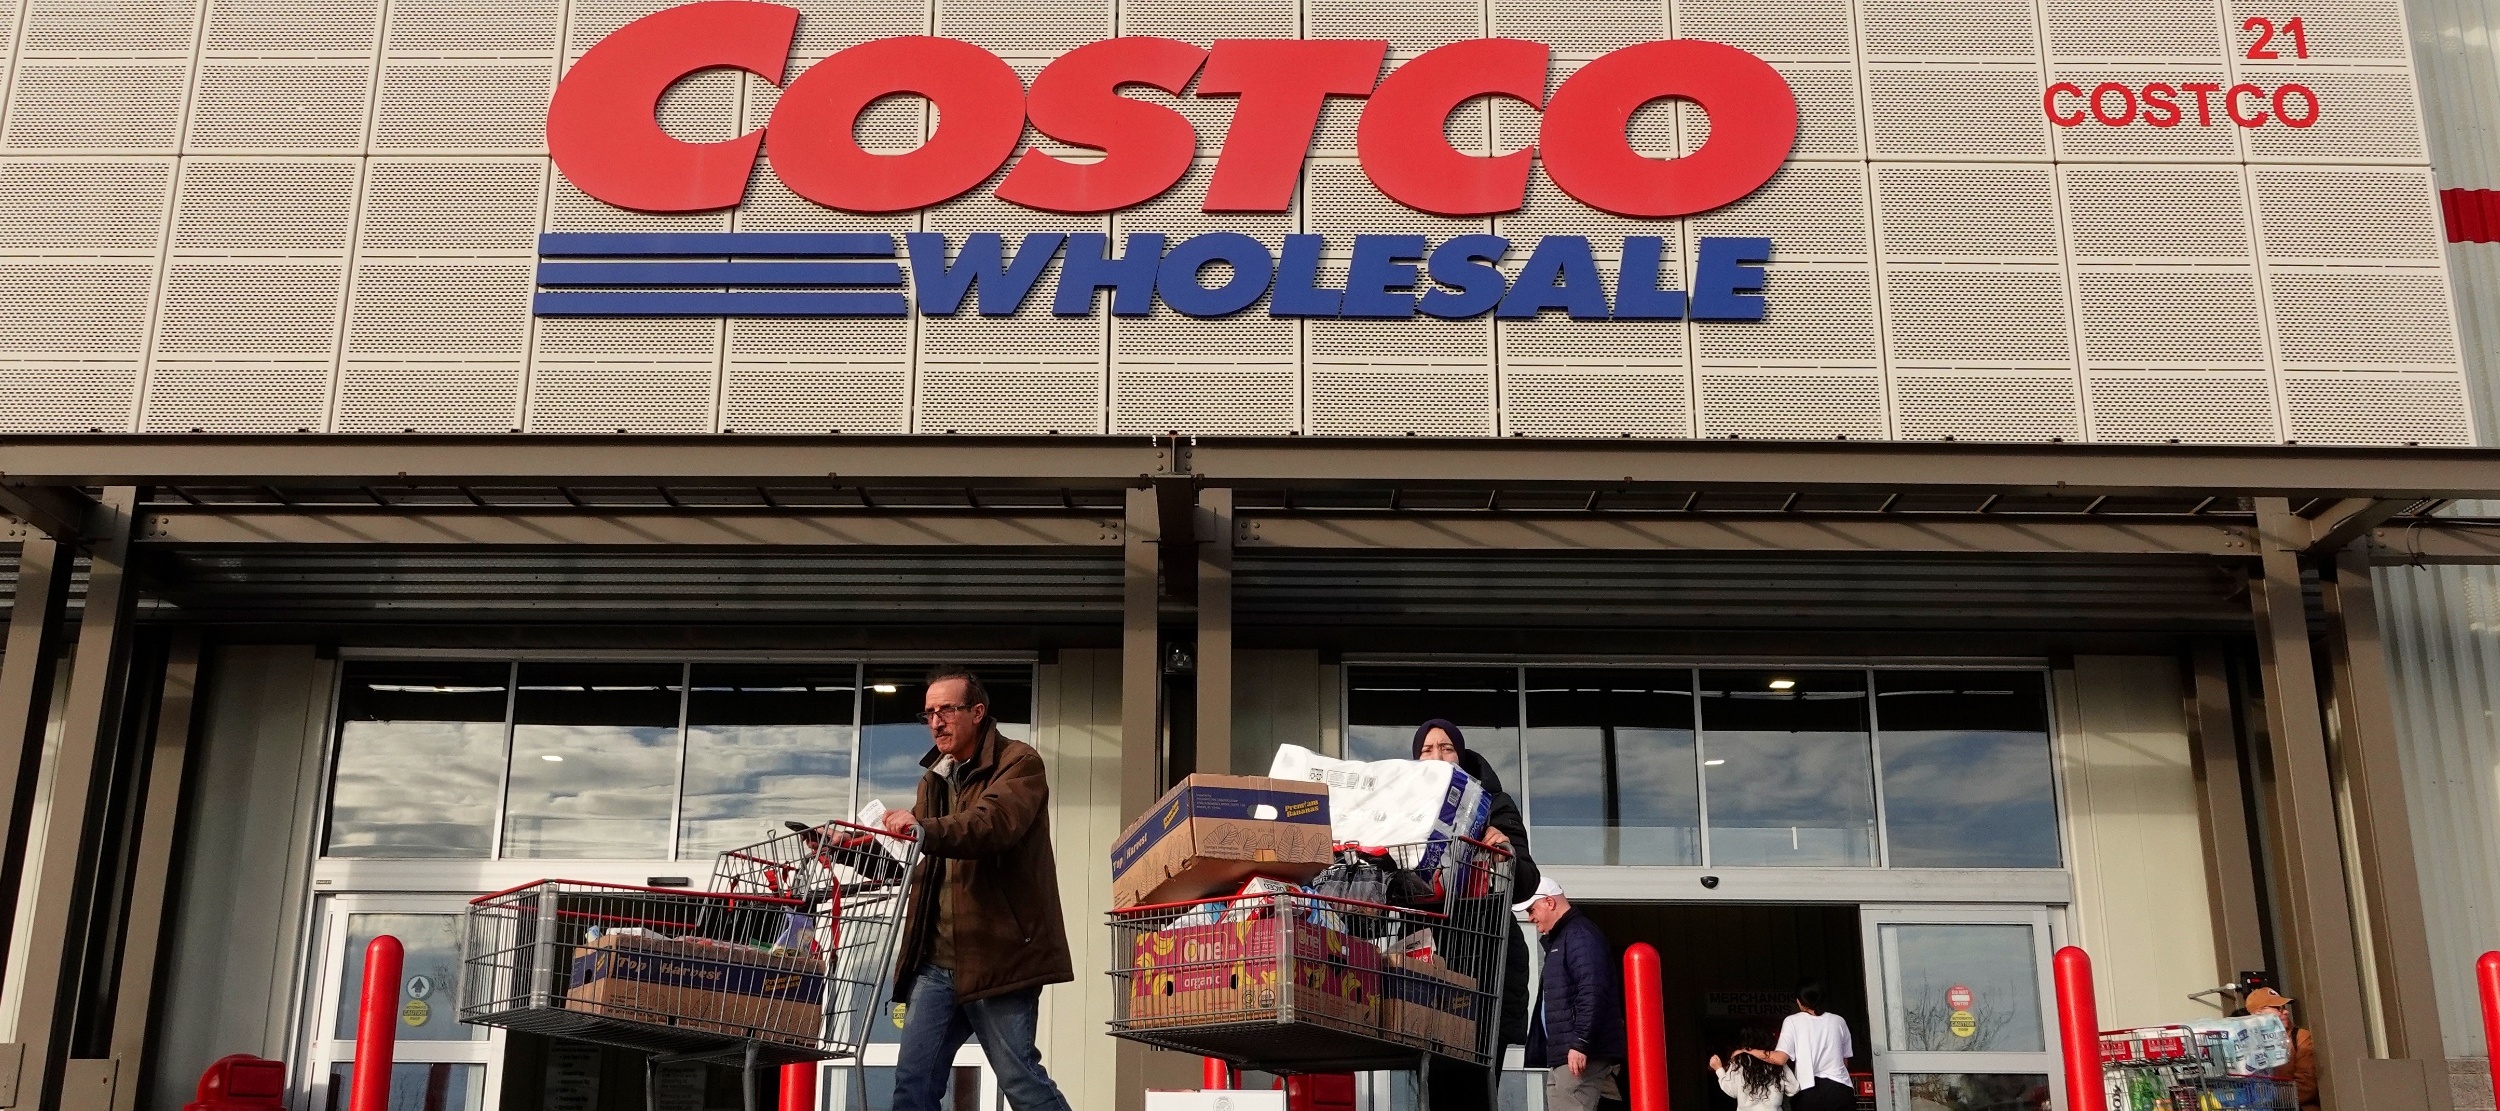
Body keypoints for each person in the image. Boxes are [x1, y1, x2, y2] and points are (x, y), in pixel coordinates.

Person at [878, 666, 1075, 1111]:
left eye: (946, 709)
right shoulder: (934, 780)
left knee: (1020, 1080)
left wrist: (922, 827)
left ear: (978, 712)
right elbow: (913, 853)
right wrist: (848, 849)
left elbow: (990, 826)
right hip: (935, 963)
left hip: (998, 955)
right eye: (928, 713)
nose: (935, 721)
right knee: (912, 1085)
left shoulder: (1019, 763)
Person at [1412, 719, 1543, 1111]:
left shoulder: (1493, 804)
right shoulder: (1406, 811)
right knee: (1435, 1086)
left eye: (1447, 748)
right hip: (1429, 962)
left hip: (1486, 965)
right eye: (1427, 750)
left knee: (1474, 1086)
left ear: (1462, 756)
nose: (1438, 756)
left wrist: (1505, 850)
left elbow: (1526, 880)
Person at [1520, 877, 1625, 1111]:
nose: (1530, 917)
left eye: (1531, 909)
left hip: (1578, 1053)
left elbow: (1592, 990)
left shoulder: (1579, 936)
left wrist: (1581, 1044)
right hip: (1568, 1053)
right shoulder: (1566, 938)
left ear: (1549, 902)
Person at [1753, 984, 1854, 1111]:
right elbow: (1845, 1061)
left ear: (1799, 1001)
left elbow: (1779, 1059)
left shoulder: (1793, 1021)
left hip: (1810, 1093)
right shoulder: (1838, 1021)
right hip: (1841, 1091)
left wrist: (1747, 1051)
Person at [2245, 987, 2319, 1110]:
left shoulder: (2300, 1036)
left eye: (2284, 1008)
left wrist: (2270, 1099)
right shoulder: (2246, 1041)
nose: (2285, 1012)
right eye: (2278, 1008)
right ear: (2258, 1013)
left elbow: (2306, 1085)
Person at [1713, 1029, 1798, 1111]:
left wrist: (1718, 1069)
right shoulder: (1777, 1063)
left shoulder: (1739, 1062)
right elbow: (1793, 1089)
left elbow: (1731, 1091)